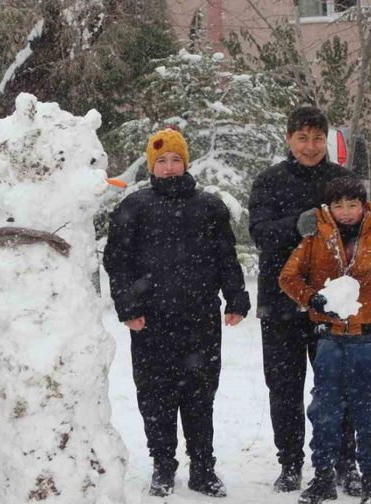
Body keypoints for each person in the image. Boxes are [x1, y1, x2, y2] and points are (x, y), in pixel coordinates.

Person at [104, 127, 250, 497]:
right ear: (152, 166)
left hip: (199, 318)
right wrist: (128, 306)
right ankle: (163, 466)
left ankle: (203, 467)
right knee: (155, 396)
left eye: (175, 160)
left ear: (185, 163)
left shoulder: (208, 207)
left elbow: (225, 258)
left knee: (200, 395)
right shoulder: (133, 207)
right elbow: (117, 263)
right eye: (162, 161)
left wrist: (235, 297)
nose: (169, 167)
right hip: (150, 321)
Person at [279, 177, 371, 504]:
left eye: (352, 205)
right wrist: (311, 298)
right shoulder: (316, 236)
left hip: (368, 342)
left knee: (370, 412)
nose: (345, 212)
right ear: (329, 208)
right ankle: (324, 477)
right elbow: (288, 276)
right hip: (328, 341)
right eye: (338, 205)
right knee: (325, 411)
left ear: (364, 206)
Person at [248, 105, 360, 493]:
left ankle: (345, 463)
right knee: (284, 386)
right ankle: (291, 462)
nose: (310, 146)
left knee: (337, 386)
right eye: (302, 138)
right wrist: (296, 224)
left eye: (317, 138)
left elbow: (358, 230)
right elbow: (259, 233)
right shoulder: (269, 181)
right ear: (288, 139)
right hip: (281, 302)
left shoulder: (341, 179)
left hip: (334, 300)